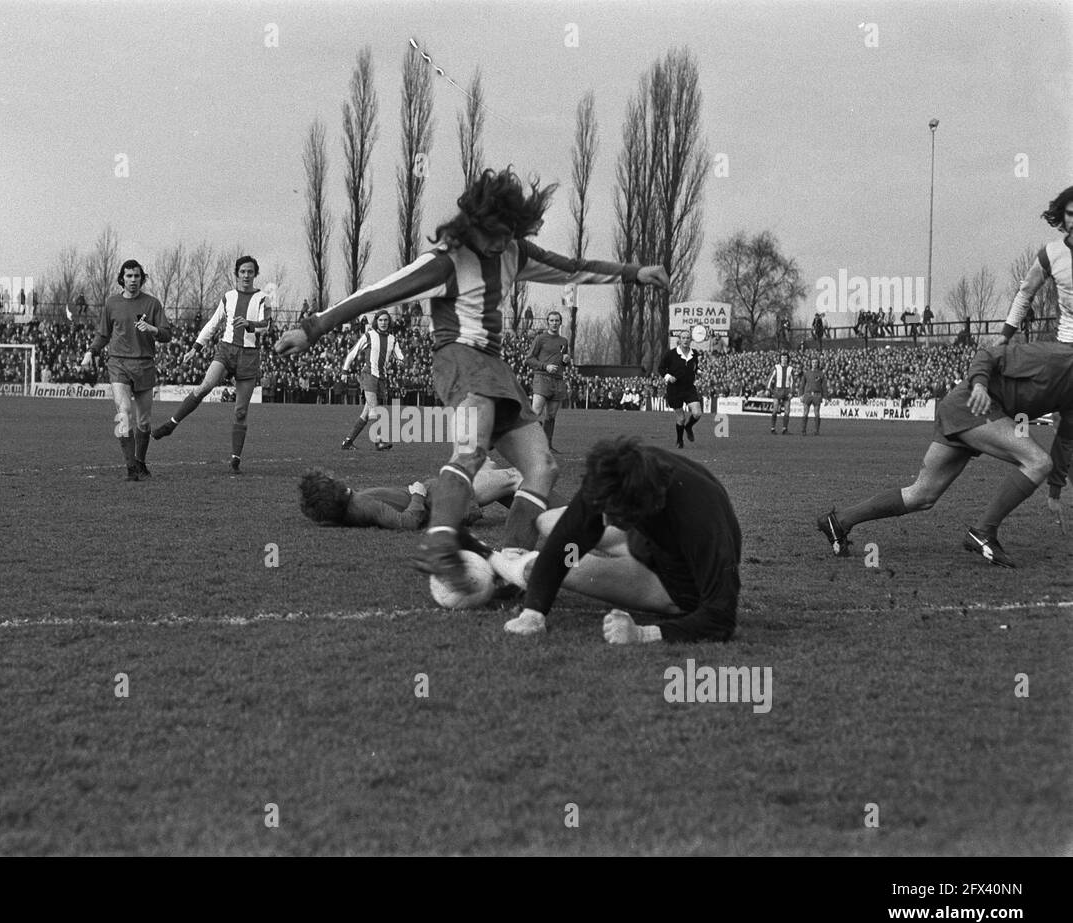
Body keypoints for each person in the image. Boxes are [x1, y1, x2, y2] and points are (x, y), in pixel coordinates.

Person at [275, 166, 669, 592]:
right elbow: (375, 294)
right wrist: (312, 329)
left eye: (510, 233)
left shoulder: (514, 251)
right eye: (496, 233)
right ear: (475, 222)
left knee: (542, 467)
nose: (502, 243)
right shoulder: (446, 261)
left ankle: (513, 563)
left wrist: (633, 273)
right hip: (459, 360)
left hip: (496, 369)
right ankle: (439, 543)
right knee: (471, 450)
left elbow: (572, 268)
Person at [818, 340, 1073, 567]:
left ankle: (839, 521)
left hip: (971, 412)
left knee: (922, 495)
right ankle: (983, 532)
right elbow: (988, 354)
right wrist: (981, 386)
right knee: (1037, 462)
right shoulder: (1058, 358)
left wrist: (1054, 492)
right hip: (971, 405)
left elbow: (1065, 439)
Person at [497, 436, 742, 644]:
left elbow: (720, 616)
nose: (605, 521)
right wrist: (534, 613)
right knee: (549, 524)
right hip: (647, 541)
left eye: (615, 516)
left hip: (673, 578)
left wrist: (643, 634)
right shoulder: (612, 476)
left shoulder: (699, 520)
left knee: (535, 568)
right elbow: (565, 541)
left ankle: (492, 560)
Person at [152, 256, 270, 474]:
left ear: (255, 274)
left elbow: (266, 326)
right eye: (243, 271)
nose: (246, 275)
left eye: (250, 272)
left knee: (241, 411)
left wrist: (250, 325)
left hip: (249, 355)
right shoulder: (228, 297)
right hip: (226, 350)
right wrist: (195, 348)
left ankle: (235, 459)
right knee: (205, 386)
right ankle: (171, 424)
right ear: (237, 274)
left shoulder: (263, 298)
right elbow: (213, 323)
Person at [79, 259, 171, 481]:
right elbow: (103, 334)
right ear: (122, 278)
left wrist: (153, 329)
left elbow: (167, 334)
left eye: (137, 276)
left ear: (142, 278)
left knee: (144, 421)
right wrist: (91, 351)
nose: (133, 280)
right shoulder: (112, 303)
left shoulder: (153, 304)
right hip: (118, 363)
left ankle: (140, 461)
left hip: (145, 365)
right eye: (129, 276)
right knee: (123, 413)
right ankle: (130, 467)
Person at [298, 459, 526, 530]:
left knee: (490, 464)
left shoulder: (348, 507)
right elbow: (406, 522)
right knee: (513, 476)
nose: (333, 477)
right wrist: (417, 494)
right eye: (329, 480)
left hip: (438, 493)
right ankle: (561, 515)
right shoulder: (361, 505)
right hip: (441, 499)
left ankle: (530, 510)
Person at [1002, 185, 1073, 345]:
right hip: (1066, 345)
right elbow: (1025, 294)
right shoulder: (1051, 253)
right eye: (1070, 214)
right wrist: (1005, 334)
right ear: (1063, 215)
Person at [340, 310, 404, 450]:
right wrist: (345, 370)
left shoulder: (392, 339)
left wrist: (400, 361)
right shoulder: (369, 335)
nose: (383, 323)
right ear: (376, 321)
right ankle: (379, 441)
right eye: (380, 320)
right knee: (375, 409)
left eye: (386, 320)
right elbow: (353, 353)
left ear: (389, 322)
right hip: (368, 375)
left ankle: (348, 442)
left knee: (366, 414)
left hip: (381, 379)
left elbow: (400, 355)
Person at [526, 310, 571, 452]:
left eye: (557, 320)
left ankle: (547, 446)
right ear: (548, 322)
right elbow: (529, 359)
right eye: (551, 320)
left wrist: (566, 361)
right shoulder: (540, 339)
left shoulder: (564, 341)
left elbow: (563, 362)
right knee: (536, 412)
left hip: (557, 381)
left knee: (551, 415)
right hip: (542, 378)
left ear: (560, 322)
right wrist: (545, 366)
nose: (554, 323)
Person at [658, 328, 702, 448]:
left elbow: (694, 366)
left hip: (689, 388)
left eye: (688, 338)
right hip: (674, 389)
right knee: (681, 418)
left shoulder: (695, 354)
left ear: (691, 340)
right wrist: (668, 377)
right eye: (683, 338)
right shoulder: (671, 354)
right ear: (679, 339)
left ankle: (689, 426)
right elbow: (661, 368)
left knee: (697, 413)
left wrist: (699, 371)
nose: (685, 340)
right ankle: (679, 440)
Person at [767, 352, 796, 434]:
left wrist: (792, 392)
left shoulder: (790, 369)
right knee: (775, 409)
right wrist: (768, 389)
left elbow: (792, 382)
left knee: (787, 411)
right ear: (780, 359)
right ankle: (773, 428)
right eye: (782, 358)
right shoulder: (776, 367)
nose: (784, 359)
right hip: (778, 390)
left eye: (785, 358)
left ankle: (784, 429)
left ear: (788, 359)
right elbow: (770, 378)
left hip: (787, 391)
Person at [798, 355, 827, 435]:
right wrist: (801, 395)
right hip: (808, 394)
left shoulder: (821, 374)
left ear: (818, 364)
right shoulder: (806, 373)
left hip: (817, 395)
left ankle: (816, 431)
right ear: (811, 363)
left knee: (817, 413)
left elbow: (824, 386)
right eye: (813, 362)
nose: (814, 364)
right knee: (805, 412)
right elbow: (802, 385)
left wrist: (825, 397)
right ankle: (803, 430)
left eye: (816, 363)